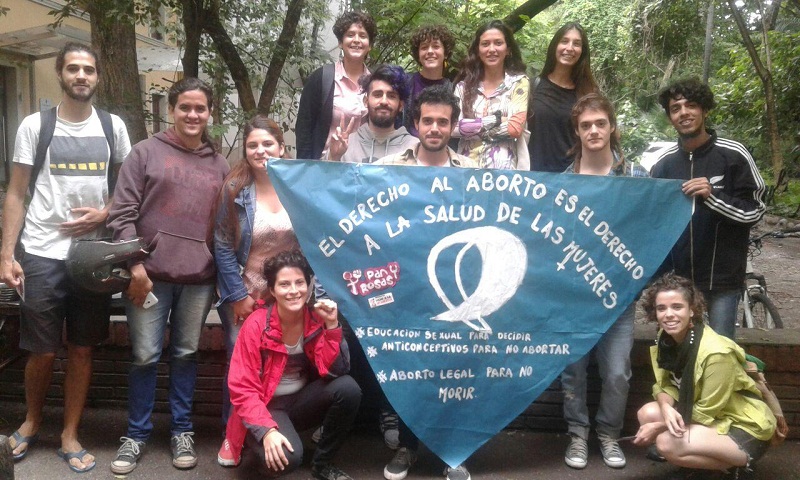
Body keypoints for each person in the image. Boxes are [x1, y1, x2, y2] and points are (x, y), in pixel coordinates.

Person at [0, 42, 131, 473]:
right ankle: (33, 420)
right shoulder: (36, 126)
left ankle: (70, 433)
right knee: (40, 350)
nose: (81, 76)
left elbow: (128, 194)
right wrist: (7, 255)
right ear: (60, 74)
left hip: (91, 257)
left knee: (81, 349)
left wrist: (105, 212)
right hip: (41, 251)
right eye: (73, 68)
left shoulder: (114, 128)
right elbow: (16, 193)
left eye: (88, 70)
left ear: (97, 77)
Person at [107, 77, 230, 474]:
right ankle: (136, 435)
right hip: (149, 276)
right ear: (171, 110)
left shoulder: (219, 162)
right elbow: (121, 214)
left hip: (198, 278)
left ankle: (181, 430)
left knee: (186, 353)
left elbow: (227, 222)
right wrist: (135, 268)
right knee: (144, 355)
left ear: (210, 112)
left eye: (200, 108)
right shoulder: (145, 153)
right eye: (185, 107)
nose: (193, 115)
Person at [376, 85, 477, 480]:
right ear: (415, 123)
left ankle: (455, 451)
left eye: (443, 122)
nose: (435, 128)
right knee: (407, 369)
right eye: (428, 121)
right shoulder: (386, 168)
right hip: (403, 289)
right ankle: (406, 446)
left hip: (454, 288)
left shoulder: (473, 175)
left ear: (453, 128)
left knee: (456, 369)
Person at [560, 93, 648, 470]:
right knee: (573, 371)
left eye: (600, 123)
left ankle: (609, 434)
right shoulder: (562, 181)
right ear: (577, 132)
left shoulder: (637, 178)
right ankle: (577, 435)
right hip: (573, 297)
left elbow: (653, 227)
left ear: (612, 127)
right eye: (585, 126)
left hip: (619, 295)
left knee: (616, 372)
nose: (593, 131)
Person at [226, 251, 361, 480]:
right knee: (289, 459)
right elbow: (242, 388)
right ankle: (254, 459)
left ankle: (323, 464)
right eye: (284, 284)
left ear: (309, 286)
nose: (293, 290)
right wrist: (266, 430)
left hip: (299, 402)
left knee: (348, 388)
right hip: (265, 406)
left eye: (300, 283)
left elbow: (336, 371)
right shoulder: (256, 325)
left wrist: (332, 326)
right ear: (272, 290)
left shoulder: (315, 319)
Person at [213, 116, 300, 467]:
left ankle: (273, 430)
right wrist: (238, 295)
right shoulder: (234, 189)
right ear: (245, 150)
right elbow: (221, 245)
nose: (261, 150)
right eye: (253, 145)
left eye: (268, 143)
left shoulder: (296, 186)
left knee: (286, 364)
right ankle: (231, 436)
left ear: (281, 147)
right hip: (245, 294)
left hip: (288, 295)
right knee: (241, 366)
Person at [651, 78, 766, 340]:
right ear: (670, 117)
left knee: (720, 356)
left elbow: (755, 210)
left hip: (722, 281)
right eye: (676, 108)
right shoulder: (663, 164)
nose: (684, 113)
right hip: (679, 284)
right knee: (679, 355)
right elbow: (656, 224)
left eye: (691, 105)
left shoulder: (733, 154)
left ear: (704, 110)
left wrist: (712, 197)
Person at [633, 273, 776, 480]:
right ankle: (698, 462)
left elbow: (706, 411)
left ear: (692, 310)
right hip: (714, 418)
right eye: (661, 308)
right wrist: (665, 408)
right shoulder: (666, 339)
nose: (669, 315)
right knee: (648, 413)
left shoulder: (716, 352)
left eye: (677, 307)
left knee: (664, 442)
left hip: (745, 426)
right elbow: (665, 384)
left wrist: (659, 426)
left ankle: (733, 466)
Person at [295, 11, 376, 160]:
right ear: (340, 42)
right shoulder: (321, 78)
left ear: (369, 45)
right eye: (350, 35)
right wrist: (304, 169)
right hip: (326, 167)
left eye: (363, 36)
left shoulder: (375, 83)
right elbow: (304, 129)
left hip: (363, 169)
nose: (356, 40)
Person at [452, 20, 529, 170]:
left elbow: (514, 128)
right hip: (465, 169)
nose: (492, 49)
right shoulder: (463, 87)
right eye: (485, 44)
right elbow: (452, 128)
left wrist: (471, 125)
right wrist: (497, 119)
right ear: (478, 50)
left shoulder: (519, 83)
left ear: (508, 49)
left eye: (498, 43)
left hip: (504, 174)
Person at [529, 22, 599, 173]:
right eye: (564, 41)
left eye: (577, 44)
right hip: (533, 178)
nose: (570, 48)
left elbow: (604, 135)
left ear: (582, 51)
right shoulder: (532, 86)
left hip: (572, 178)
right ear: (555, 45)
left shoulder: (589, 93)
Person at [329, 64, 418, 163]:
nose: (384, 101)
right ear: (366, 101)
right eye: (378, 95)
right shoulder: (345, 144)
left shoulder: (415, 148)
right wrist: (333, 158)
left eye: (391, 96)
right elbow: (324, 177)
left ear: (401, 105)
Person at [403, 25, 456, 137]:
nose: (430, 51)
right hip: (406, 148)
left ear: (445, 53)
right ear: (418, 54)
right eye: (424, 47)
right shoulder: (405, 83)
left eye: (436, 46)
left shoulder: (453, 89)